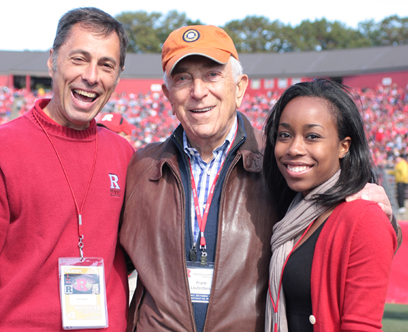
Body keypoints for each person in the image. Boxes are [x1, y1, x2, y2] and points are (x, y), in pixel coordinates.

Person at [119, 26, 397, 332]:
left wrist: (378, 206)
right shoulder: (140, 167)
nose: (198, 91)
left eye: (212, 74)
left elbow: (347, 229)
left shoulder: (282, 163)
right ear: (167, 95)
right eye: (183, 78)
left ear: (239, 87)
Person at [0, 7, 134, 332]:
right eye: (79, 59)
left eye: (106, 65)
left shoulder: (126, 155)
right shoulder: (5, 148)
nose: (91, 75)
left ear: (117, 77)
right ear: (52, 60)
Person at [263, 79, 398, 332]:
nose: (294, 148)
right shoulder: (288, 213)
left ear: (343, 147)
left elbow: (361, 327)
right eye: (285, 135)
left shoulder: (364, 217)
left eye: (312, 136)